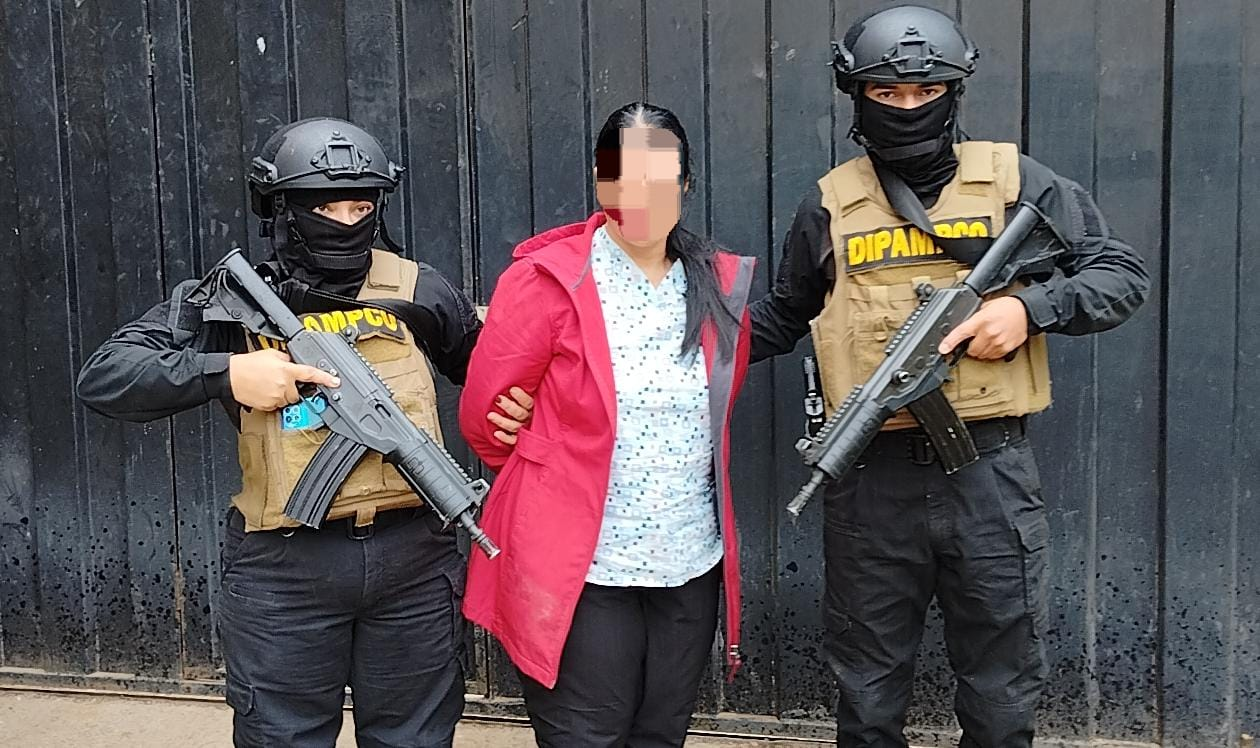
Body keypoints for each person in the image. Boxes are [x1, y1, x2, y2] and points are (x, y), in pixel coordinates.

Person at [748, 6, 1150, 747]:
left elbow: (1120, 275)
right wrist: (667, 350)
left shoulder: (1016, 182)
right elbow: (783, 314)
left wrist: (1029, 309)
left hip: (989, 475)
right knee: (866, 695)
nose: (907, 107)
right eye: (887, 93)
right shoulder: (830, 202)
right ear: (857, 95)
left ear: (953, 91)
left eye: (925, 91)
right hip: (869, 481)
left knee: (1001, 694)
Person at [76, 117, 509, 748]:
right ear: (280, 209)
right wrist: (226, 372)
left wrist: (521, 386)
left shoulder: (418, 290)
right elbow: (106, 376)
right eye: (324, 207)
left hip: (416, 562)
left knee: (415, 737)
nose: (345, 221)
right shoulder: (235, 300)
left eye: (360, 206)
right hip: (285, 569)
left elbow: (493, 373)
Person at [457, 102, 757, 748]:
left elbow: (716, 415)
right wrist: (548, 447)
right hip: (584, 567)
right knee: (586, 737)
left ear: (685, 184)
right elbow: (485, 420)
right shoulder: (546, 281)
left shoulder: (718, 284)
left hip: (688, 560)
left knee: (661, 735)